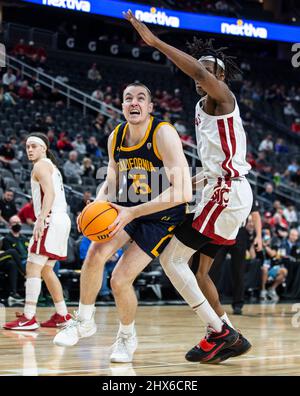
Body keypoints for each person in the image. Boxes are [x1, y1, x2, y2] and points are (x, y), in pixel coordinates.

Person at [125, 11, 252, 363]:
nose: (201, 75)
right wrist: (185, 181)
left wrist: (154, 41)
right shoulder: (201, 105)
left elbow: (197, 71)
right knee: (197, 269)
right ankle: (226, 333)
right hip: (221, 189)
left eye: (209, 70)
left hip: (227, 194)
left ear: (221, 76)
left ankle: (221, 333)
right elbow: (213, 165)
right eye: (201, 69)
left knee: (171, 258)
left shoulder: (223, 97)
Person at [53, 82, 192, 362]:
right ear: (122, 106)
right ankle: (84, 321)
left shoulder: (163, 134)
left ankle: (127, 337)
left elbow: (184, 192)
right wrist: (97, 203)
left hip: (161, 215)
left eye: (141, 98)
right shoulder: (115, 137)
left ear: (150, 107)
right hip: (126, 204)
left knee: (119, 279)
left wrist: (133, 211)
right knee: (93, 254)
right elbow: (112, 181)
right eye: (128, 98)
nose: (134, 102)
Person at [3, 133, 71, 330]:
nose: (30, 150)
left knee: (33, 266)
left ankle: (28, 317)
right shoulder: (52, 166)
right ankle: (63, 314)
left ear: (44, 148)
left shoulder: (41, 165)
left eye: (34, 146)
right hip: (61, 219)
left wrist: (41, 219)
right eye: (27, 147)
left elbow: (49, 193)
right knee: (47, 270)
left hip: (51, 218)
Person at [210, 195, 262, 315]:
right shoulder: (222, 186)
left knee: (238, 270)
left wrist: (258, 236)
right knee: (213, 268)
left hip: (239, 232)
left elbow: (256, 215)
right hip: (221, 230)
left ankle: (238, 303)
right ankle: (209, 302)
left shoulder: (246, 190)